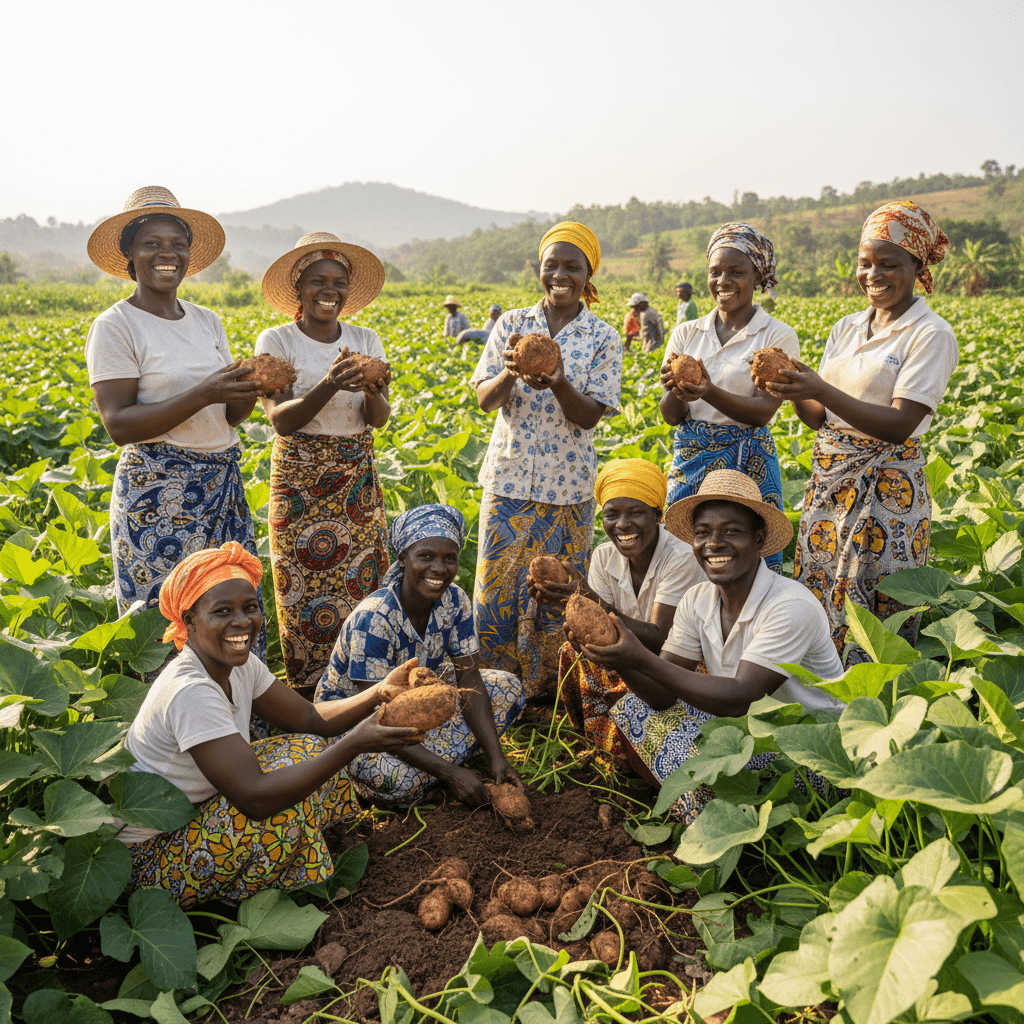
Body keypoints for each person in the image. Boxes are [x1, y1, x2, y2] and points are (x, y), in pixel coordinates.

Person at [120, 543, 424, 906]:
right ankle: (239, 895)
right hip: (148, 862)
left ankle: (300, 855)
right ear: (189, 621)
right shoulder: (189, 691)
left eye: (250, 607)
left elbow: (310, 718)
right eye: (223, 611)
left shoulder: (238, 664)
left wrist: (379, 692)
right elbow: (256, 800)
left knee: (309, 748)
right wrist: (355, 743)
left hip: (197, 812)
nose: (242, 621)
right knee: (283, 809)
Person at [580, 471, 844, 824]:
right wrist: (618, 654)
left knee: (690, 750)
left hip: (814, 753)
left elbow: (740, 697)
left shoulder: (790, 605)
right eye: (703, 533)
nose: (713, 544)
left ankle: (724, 827)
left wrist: (639, 656)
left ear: (759, 538)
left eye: (731, 532)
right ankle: (716, 818)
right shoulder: (699, 599)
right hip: (750, 735)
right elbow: (660, 696)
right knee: (634, 710)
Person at [84, 186, 266, 657]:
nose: (167, 254)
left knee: (231, 614)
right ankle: (177, 727)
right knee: (168, 621)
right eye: (152, 244)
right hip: (157, 496)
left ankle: (240, 721)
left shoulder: (207, 320)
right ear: (129, 253)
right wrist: (204, 391)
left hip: (221, 485)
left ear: (189, 255)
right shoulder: (116, 325)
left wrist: (247, 388)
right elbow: (119, 424)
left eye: (176, 245)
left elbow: (229, 414)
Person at [767, 200, 956, 653]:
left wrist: (819, 387)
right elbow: (819, 418)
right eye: (865, 263)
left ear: (917, 265)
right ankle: (817, 691)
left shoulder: (929, 333)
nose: (874, 275)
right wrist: (793, 391)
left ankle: (869, 696)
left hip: (887, 488)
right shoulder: (847, 328)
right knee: (820, 583)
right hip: (830, 481)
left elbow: (901, 424)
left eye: (889, 264)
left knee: (874, 604)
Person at [470, 222, 623, 696]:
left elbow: (590, 416)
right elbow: (484, 399)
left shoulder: (604, 337)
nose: (560, 274)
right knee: (496, 594)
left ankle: (551, 694)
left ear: (587, 274)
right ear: (540, 270)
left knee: (558, 594)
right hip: (509, 479)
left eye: (571, 266)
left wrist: (558, 380)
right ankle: (497, 694)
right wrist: (511, 375)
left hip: (567, 487)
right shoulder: (511, 324)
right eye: (551, 265)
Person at [316, 505, 526, 806]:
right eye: (426, 556)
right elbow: (380, 717)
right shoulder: (374, 619)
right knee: (394, 779)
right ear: (403, 558)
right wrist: (450, 774)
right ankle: (434, 768)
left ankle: (435, 766)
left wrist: (498, 759)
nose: (439, 568)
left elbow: (468, 675)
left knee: (507, 689)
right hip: (357, 724)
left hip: (417, 705)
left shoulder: (455, 601)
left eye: (449, 558)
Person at [255, 232, 391, 689]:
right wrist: (330, 384)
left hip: (355, 475)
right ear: (299, 287)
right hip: (299, 479)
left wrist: (373, 391)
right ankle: (311, 695)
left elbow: (379, 418)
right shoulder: (277, 339)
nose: (329, 290)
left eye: (338, 281)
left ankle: (359, 685)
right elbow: (280, 421)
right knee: (302, 591)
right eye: (318, 280)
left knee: (363, 583)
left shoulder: (365, 338)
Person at [528, 459, 705, 762]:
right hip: (631, 654)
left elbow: (661, 637)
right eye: (612, 514)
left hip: (677, 661)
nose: (622, 524)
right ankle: (603, 733)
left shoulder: (680, 556)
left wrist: (587, 597)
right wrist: (565, 602)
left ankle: (631, 739)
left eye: (636, 513)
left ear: (657, 515)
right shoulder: (604, 555)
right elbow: (598, 627)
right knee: (572, 648)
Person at [660, 222, 797, 573]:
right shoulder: (687, 333)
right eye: (715, 271)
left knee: (744, 564)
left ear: (758, 277)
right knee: (682, 561)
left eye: (736, 272)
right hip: (691, 455)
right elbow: (672, 415)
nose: (723, 281)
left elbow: (764, 411)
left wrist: (708, 391)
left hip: (747, 460)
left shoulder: (776, 334)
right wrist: (677, 391)